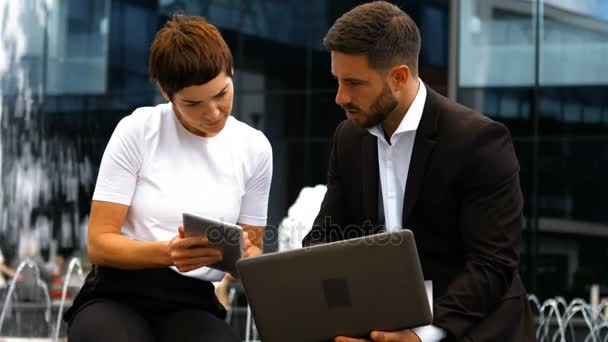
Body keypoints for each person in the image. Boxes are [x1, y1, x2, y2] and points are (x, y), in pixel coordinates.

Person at [302, 2, 535, 342]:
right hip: (381, 322)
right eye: (337, 80)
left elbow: (492, 265)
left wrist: (421, 335)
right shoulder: (349, 138)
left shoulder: (479, 141)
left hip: (469, 325)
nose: (340, 97)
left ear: (398, 77)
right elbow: (326, 238)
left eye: (354, 83)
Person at [65, 14, 272, 342]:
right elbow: (99, 244)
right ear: (166, 92)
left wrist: (246, 256)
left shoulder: (255, 148)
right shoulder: (137, 131)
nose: (214, 113)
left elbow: (253, 246)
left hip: (194, 300)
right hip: (117, 292)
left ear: (231, 74)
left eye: (222, 94)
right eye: (193, 103)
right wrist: (167, 253)